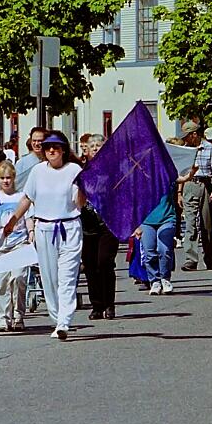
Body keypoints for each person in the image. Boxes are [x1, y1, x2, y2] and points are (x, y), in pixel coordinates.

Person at [2, 131, 85, 341]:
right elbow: (27, 199)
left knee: (67, 276)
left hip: (69, 227)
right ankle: (57, 318)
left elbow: (79, 203)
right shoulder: (38, 171)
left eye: (55, 147)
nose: (51, 151)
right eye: (48, 147)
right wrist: (12, 221)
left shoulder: (74, 169)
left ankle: (64, 321)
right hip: (44, 229)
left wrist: (85, 187)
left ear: (63, 150)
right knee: (49, 278)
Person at [79, 134, 120, 320]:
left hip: (108, 224)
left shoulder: (113, 171)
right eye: (92, 145)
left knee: (104, 262)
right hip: (87, 225)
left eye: (99, 145)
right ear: (86, 150)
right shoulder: (81, 172)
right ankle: (97, 305)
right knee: (90, 265)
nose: (95, 148)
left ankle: (109, 304)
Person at [0, 160, 30, 332]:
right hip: (0, 246)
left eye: (9, 178)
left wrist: (32, 233)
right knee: (1, 284)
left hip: (19, 243)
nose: (6, 181)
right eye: (2, 178)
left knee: (19, 278)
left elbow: (28, 217)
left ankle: (18, 314)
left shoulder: (21, 197)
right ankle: (3, 319)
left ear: (14, 178)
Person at [180, 122, 212, 272]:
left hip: (205, 185)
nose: (186, 139)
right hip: (189, 184)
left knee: (206, 224)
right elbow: (181, 172)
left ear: (194, 134)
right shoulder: (184, 149)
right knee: (190, 223)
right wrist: (179, 192)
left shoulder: (210, 148)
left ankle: (209, 257)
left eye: (187, 136)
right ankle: (191, 259)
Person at [14, 126, 47, 190]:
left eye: (40, 141)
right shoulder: (21, 163)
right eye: (34, 140)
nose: (36, 144)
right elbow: (16, 185)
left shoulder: (51, 161)